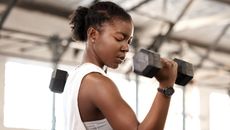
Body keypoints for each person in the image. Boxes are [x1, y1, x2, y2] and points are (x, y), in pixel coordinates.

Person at [63, 1, 178, 130]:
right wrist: (165, 87)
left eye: (129, 41)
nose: (126, 48)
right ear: (93, 35)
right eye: (119, 38)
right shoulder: (97, 82)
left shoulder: (75, 77)